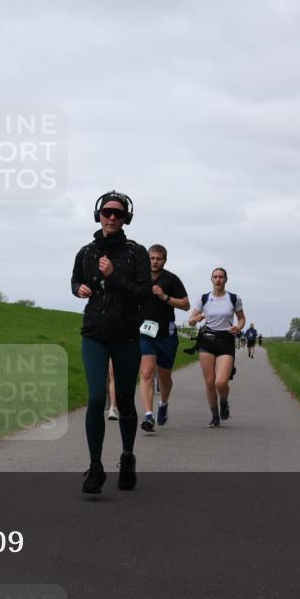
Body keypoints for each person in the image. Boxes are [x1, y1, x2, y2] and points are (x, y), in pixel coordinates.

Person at [71, 191, 152, 493]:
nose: (113, 217)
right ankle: (95, 466)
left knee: (127, 401)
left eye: (119, 213)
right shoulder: (87, 252)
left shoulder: (137, 253)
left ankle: (128, 456)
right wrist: (78, 288)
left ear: (126, 218)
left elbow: (143, 293)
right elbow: (75, 279)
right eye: (108, 212)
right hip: (94, 333)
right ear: (99, 215)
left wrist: (114, 275)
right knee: (95, 399)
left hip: (127, 335)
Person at [137, 244, 190, 431]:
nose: (154, 261)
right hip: (145, 332)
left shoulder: (171, 279)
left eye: (158, 258)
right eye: (151, 258)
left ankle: (164, 404)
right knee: (146, 372)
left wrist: (165, 297)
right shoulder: (140, 277)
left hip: (166, 334)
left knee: (165, 377)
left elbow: (185, 304)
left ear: (165, 260)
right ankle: (148, 415)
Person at [188, 268, 245, 428]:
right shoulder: (204, 298)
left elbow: (241, 319)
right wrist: (195, 319)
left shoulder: (233, 298)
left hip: (226, 340)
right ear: (211, 279)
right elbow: (191, 320)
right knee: (210, 382)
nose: (218, 279)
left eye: (221, 277)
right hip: (207, 339)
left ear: (226, 279)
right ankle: (214, 415)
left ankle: (224, 401)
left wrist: (238, 327)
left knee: (221, 382)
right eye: (215, 277)